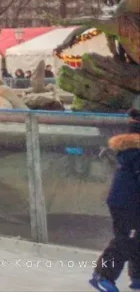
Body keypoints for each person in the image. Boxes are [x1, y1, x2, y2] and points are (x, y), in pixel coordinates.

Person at [90, 109, 140, 292]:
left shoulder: (131, 149)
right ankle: (102, 275)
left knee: (137, 238)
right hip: (127, 204)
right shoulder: (136, 151)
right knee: (125, 239)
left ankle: (137, 276)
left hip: (128, 201)